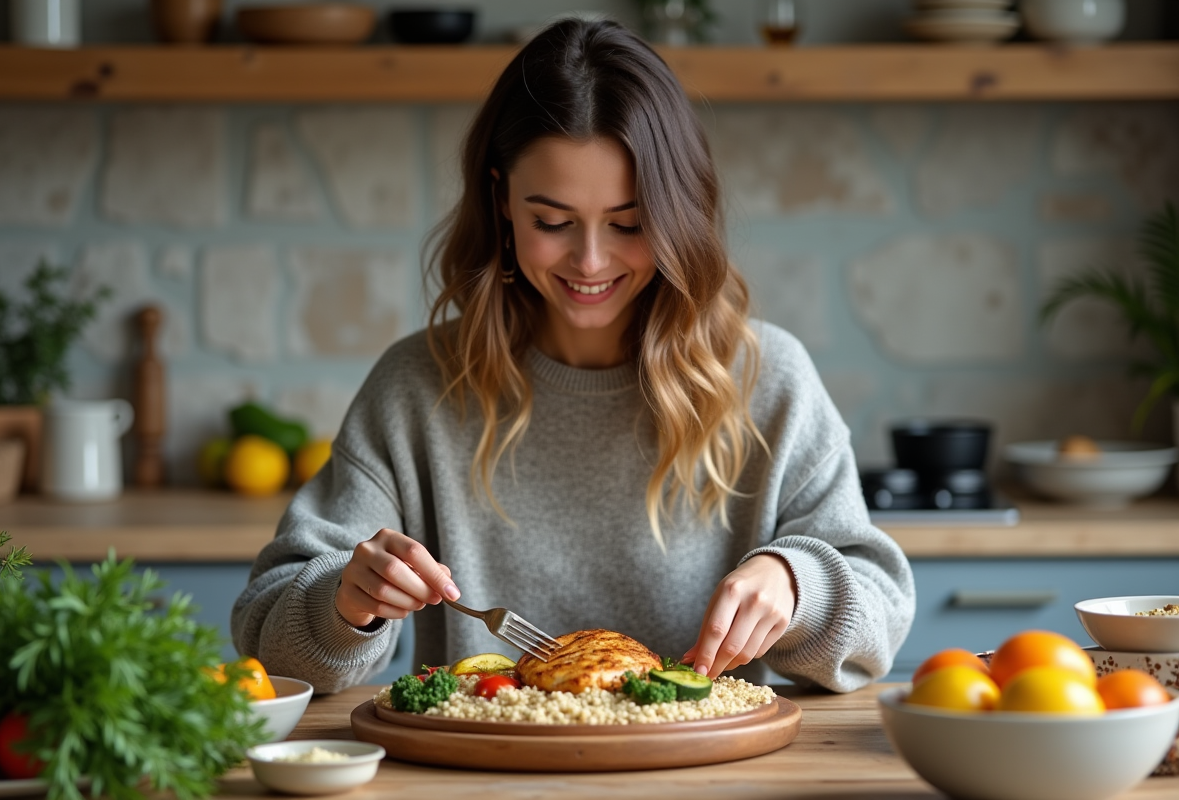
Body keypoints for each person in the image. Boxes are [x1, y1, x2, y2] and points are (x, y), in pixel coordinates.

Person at [231, 18, 915, 695]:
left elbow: (879, 617)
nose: (590, 261)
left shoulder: (770, 380)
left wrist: (799, 584)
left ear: (679, 214)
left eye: (630, 223)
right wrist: (346, 605)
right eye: (552, 222)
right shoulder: (416, 388)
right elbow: (268, 635)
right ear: (500, 200)